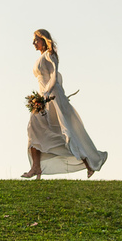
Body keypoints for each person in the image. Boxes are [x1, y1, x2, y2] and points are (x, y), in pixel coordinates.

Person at [20, 28, 107, 180]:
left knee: (64, 132)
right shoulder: (40, 58)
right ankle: (36, 168)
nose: (33, 43)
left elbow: (54, 76)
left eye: (36, 39)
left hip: (52, 98)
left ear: (43, 40)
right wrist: (40, 96)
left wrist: (47, 93)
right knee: (33, 128)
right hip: (42, 98)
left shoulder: (50, 55)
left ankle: (88, 161)